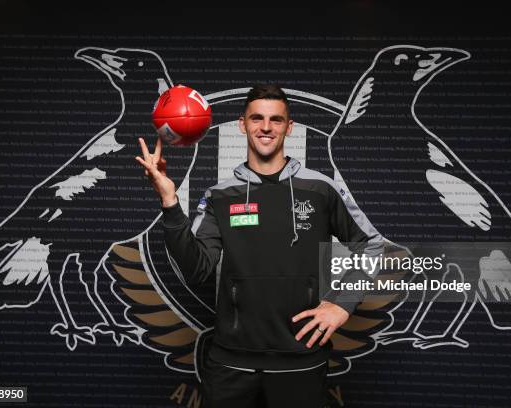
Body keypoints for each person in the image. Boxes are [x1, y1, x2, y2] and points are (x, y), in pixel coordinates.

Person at [135, 84, 383, 407]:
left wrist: (341, 304)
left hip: (301, 361)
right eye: (257, 118)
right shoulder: (219, 196)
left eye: (276, 120)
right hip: (230, 364)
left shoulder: (321, 189)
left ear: (288, 127)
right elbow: (196, 269)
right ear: (243, 124)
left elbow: (371, 245)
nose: (266, 127)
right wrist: (169, 201)